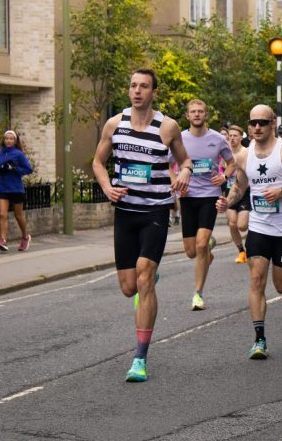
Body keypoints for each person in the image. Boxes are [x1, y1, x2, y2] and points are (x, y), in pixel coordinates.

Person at [92, 68, 193, 382]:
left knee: (145, 277)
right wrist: (107, 187)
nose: (137, 91)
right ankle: (146, 277)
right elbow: (97, 162)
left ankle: (139, 358)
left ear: (153, 92)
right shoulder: (114, 124)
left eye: (144, 86)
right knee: (128, 288)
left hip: (155, 210)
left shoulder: (168, 127)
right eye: (133, 85)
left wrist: (185, 173)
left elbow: (185, 160)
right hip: (125, 212)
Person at [216, 104, 282, 359]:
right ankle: (259, 340)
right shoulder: (243, 156)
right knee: (256, 279)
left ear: (272, 123)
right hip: (259, 226)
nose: (257, 127)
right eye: (253, 123)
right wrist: (227, 201)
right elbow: (240, 186)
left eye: (262, 122)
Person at [173, 99, 234, 311]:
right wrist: (175, 180)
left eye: (200, 111)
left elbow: (232, 162)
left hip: (210, 195)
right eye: (193, 112)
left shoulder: (217, 139)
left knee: (200, 245)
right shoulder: (179, 138)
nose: (197, 114)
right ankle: (208, 249)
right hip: (188, 197)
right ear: (188, 116)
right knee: (191, 251)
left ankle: (198, 294)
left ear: (205, 114)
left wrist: (224, 176)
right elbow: (169, 164)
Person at [0, 130, 33, 251]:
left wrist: (15, 168)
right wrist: (1, 169)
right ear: (4, 140)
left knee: (18, 215)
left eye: (11, 139)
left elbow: (29, 169)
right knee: (2, 214)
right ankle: (3, 241)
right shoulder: (0, 153)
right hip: (3, 187)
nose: (8, 140)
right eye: (7, 138)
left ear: (15, 140)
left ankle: (25, 237)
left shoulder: (19, 154)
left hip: (16, 188)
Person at [225, 125, 250, 263]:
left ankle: (255, 231)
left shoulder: (246, 153)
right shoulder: (224, 153)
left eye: (235, 136)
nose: (232, 138)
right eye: (230, 136)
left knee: (242, 226)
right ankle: (241, 251)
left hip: (245, 191)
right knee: (232, 224)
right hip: (229, 193)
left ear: (241, 137)